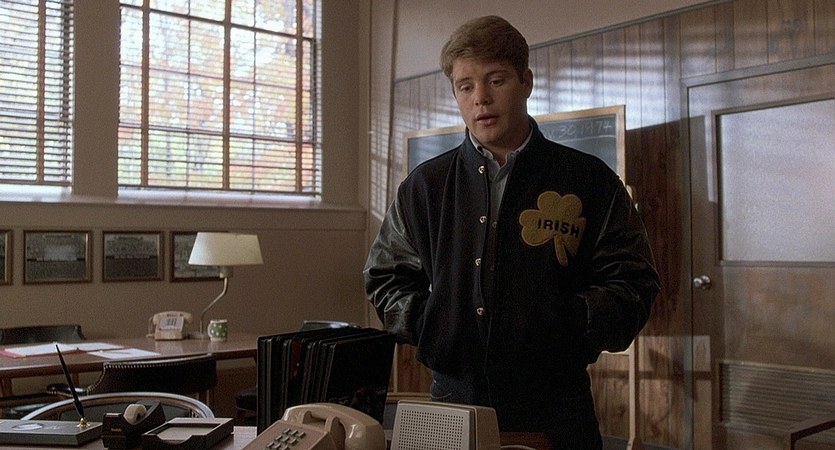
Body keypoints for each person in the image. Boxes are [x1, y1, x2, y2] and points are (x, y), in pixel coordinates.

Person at [364, 15, 659, 450]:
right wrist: (434, 326)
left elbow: (634, 282)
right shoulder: (425, 186)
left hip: (557, 407)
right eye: (465, 86)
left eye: (496, 80)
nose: (480, 98)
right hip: (452, 404)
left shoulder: (589, 180)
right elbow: (384, 277)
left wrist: (566, 325)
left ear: (526, 82)